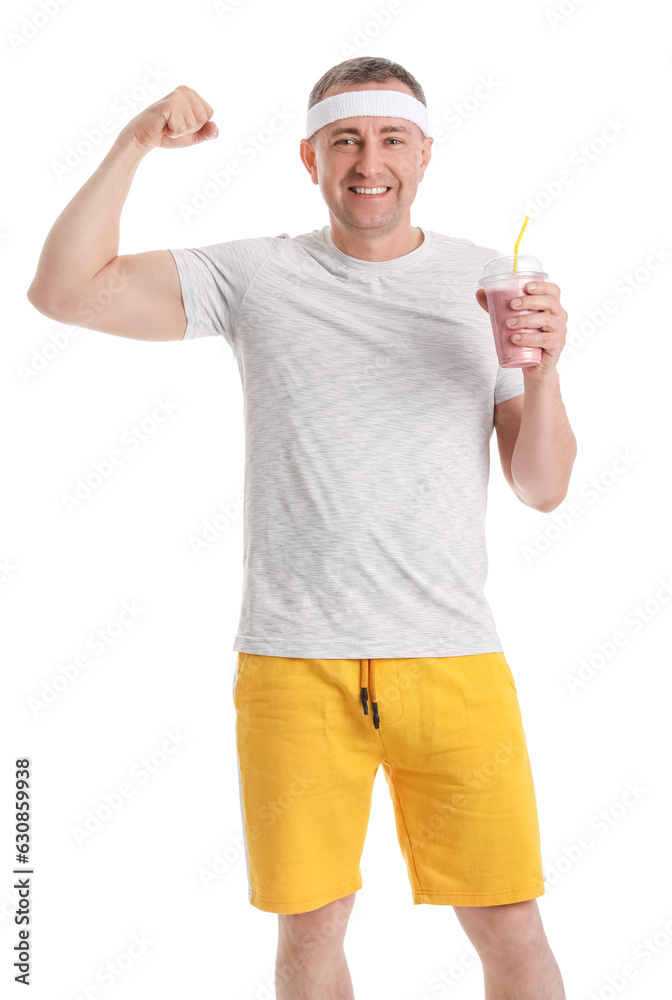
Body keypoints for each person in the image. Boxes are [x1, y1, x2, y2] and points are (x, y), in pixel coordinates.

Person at [27, 55, 574, 1000]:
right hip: (293, 665)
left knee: (511, 928)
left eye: (392, 138)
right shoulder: (255, 277)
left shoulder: (489, 282)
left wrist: (547, 369)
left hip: (452, 661)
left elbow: (544, 487)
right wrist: (133, 144)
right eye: (347, 140)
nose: (371, 161)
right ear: (310, 159)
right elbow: (65, 292)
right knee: (309, 936)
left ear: (425, 154)